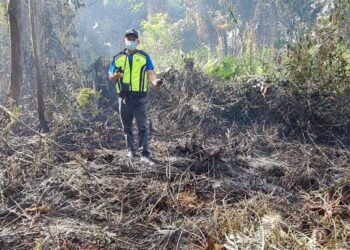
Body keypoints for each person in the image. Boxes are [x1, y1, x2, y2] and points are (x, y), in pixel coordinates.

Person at [108, 29, 162, 166]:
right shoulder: (118, 58)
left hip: (140, 98)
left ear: (138, 41)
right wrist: (116, 75)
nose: (131, 41)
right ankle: (131, 151)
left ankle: (144, 154)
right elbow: (111, 76)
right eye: (129, 39)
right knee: (127, 127)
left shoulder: (144, 57)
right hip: (124, 97)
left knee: (142, 126)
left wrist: (155, 81)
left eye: (133, 39)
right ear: (125, 40)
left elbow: (150, 72)